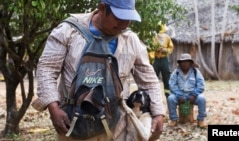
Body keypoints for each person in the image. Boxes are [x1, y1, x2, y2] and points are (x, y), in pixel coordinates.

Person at [31, 0, 166, 141]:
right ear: (102, 8)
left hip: (115, 124)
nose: (124, 24)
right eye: (119, 18)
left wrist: (158, 114)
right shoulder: (69, 30)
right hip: (74, 122)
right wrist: (54, 108)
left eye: (128, 19)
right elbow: (47, 68)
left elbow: (148, 79)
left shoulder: (130, 39)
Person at [167, 53, 207, 128]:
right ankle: (174, 119)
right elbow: (172, 85)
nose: (185, 64)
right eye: (183, 62)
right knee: (170, 98)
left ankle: (201, 120)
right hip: (179, 95)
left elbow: (201, 85)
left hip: (192, 95)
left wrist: (194, 95)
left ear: (190, 63)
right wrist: (179, 96)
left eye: (187, 62)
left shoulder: (196, 72)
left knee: (202, 98)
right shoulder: (176, 73)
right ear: (180, 63)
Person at [152, 22, 174, 97]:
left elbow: (171, 48)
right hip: (156, 60)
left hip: (164, 59)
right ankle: (154, 94)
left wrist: (165, 50)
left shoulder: (167, 37)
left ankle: (167, 94)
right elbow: (150, 49)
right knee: (154, 77)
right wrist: (156, 50)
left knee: (166, 76)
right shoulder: (154, 37)